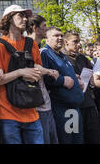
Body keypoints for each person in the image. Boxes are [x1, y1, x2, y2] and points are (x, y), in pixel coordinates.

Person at [0, 5, 54, 144]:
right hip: (7, 112)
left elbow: (38, 72)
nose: (25, 19)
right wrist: (21, 72)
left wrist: (36, 73)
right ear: (8, 19)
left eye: (26, 16)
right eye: (20, 16)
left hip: (31, 111)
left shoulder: (31, 44)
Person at [41, 27, 85, 144]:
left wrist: (76, 79)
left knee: (77, 140)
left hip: (73, 107)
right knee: (67, 140)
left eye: (61, 35)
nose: (60, 38)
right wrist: (61, 80)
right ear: (47, 39)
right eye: (56, 36)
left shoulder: (62, 55)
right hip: (62, 107)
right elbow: (45, 77)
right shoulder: (45, 54)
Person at [63, 31, 100, 144]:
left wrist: (97, 79)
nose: (78, 44)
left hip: (88, 103)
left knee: (95, 136)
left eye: (79, 41)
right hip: (71, 107)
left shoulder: (83, 58)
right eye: (75, 42)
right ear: (66, 42)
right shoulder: (60, 59)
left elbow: (91, 78)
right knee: (75, 138)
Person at [27, 14, 59, 144]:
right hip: (36, 107)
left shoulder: (38, 47)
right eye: (44, 26)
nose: (47, 29)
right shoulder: (26, 47)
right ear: (35, 28)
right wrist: (48, 71)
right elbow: (30, 70)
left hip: (46, 104)